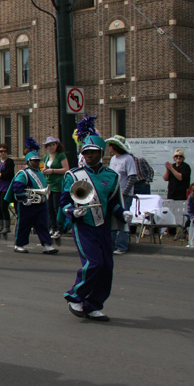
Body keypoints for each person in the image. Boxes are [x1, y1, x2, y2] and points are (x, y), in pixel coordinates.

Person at [62, 118, 132, 322]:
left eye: (93, 152)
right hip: (84, 224)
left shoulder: (112, 176)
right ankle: (75, 296)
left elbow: (113, 203)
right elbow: (64, 201)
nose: (90, 156)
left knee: (107, 267)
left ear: (101, 154)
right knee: (94, 263)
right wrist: (71, 211)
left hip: (103, 226)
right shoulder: (74, 175)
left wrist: (123, 214)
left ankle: (93, 305)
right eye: (86, 153)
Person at [5, 138, 58, 254]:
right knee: (24, 224)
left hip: (40, 202)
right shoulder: (23, 173)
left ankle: (47, 244)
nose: (37, 162)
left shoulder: (40, 173)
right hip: (26, 204)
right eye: (34, 161)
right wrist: (24, 199)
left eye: (38, 160)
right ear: (29, 161)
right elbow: (17, 187)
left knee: (42, 224)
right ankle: (19, 244)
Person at [106, 135, 137, 254]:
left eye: (110, 146)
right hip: (114, 194)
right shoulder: (113, 159)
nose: (109, 147)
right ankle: (111, 244)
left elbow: (132, 177)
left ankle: (122, 246)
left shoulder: (128, 159)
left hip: (125, 195)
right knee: (112, 219)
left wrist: (125, 192)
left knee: (124, 219)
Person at [42, 136, 69, 238]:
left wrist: (53, 171)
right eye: (49, 145)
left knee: (56, 207)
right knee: (49, 208)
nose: (52, 147)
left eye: (53, 145)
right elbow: (45, 167)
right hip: (49, 183)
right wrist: (44, 170)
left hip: (58, 184)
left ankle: (59, 229)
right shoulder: (46, 157)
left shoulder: (61, 155)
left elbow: (66, 169)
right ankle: (52, 227)